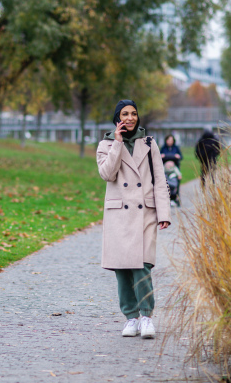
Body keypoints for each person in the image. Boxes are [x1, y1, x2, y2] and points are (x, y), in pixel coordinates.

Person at [96, 99, 171, 339]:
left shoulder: (149, 143)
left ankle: (146, 316)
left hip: (144, 212)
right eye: (125, 114)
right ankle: (131, 318)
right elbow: (107, 174)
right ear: (117, 117)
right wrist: (117, 144)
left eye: (134, 114)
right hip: (119, 214)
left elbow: (160, 180)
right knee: (122, 270)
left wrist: (164, 213)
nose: (130, 118)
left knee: (142, 266)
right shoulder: (105, 144)